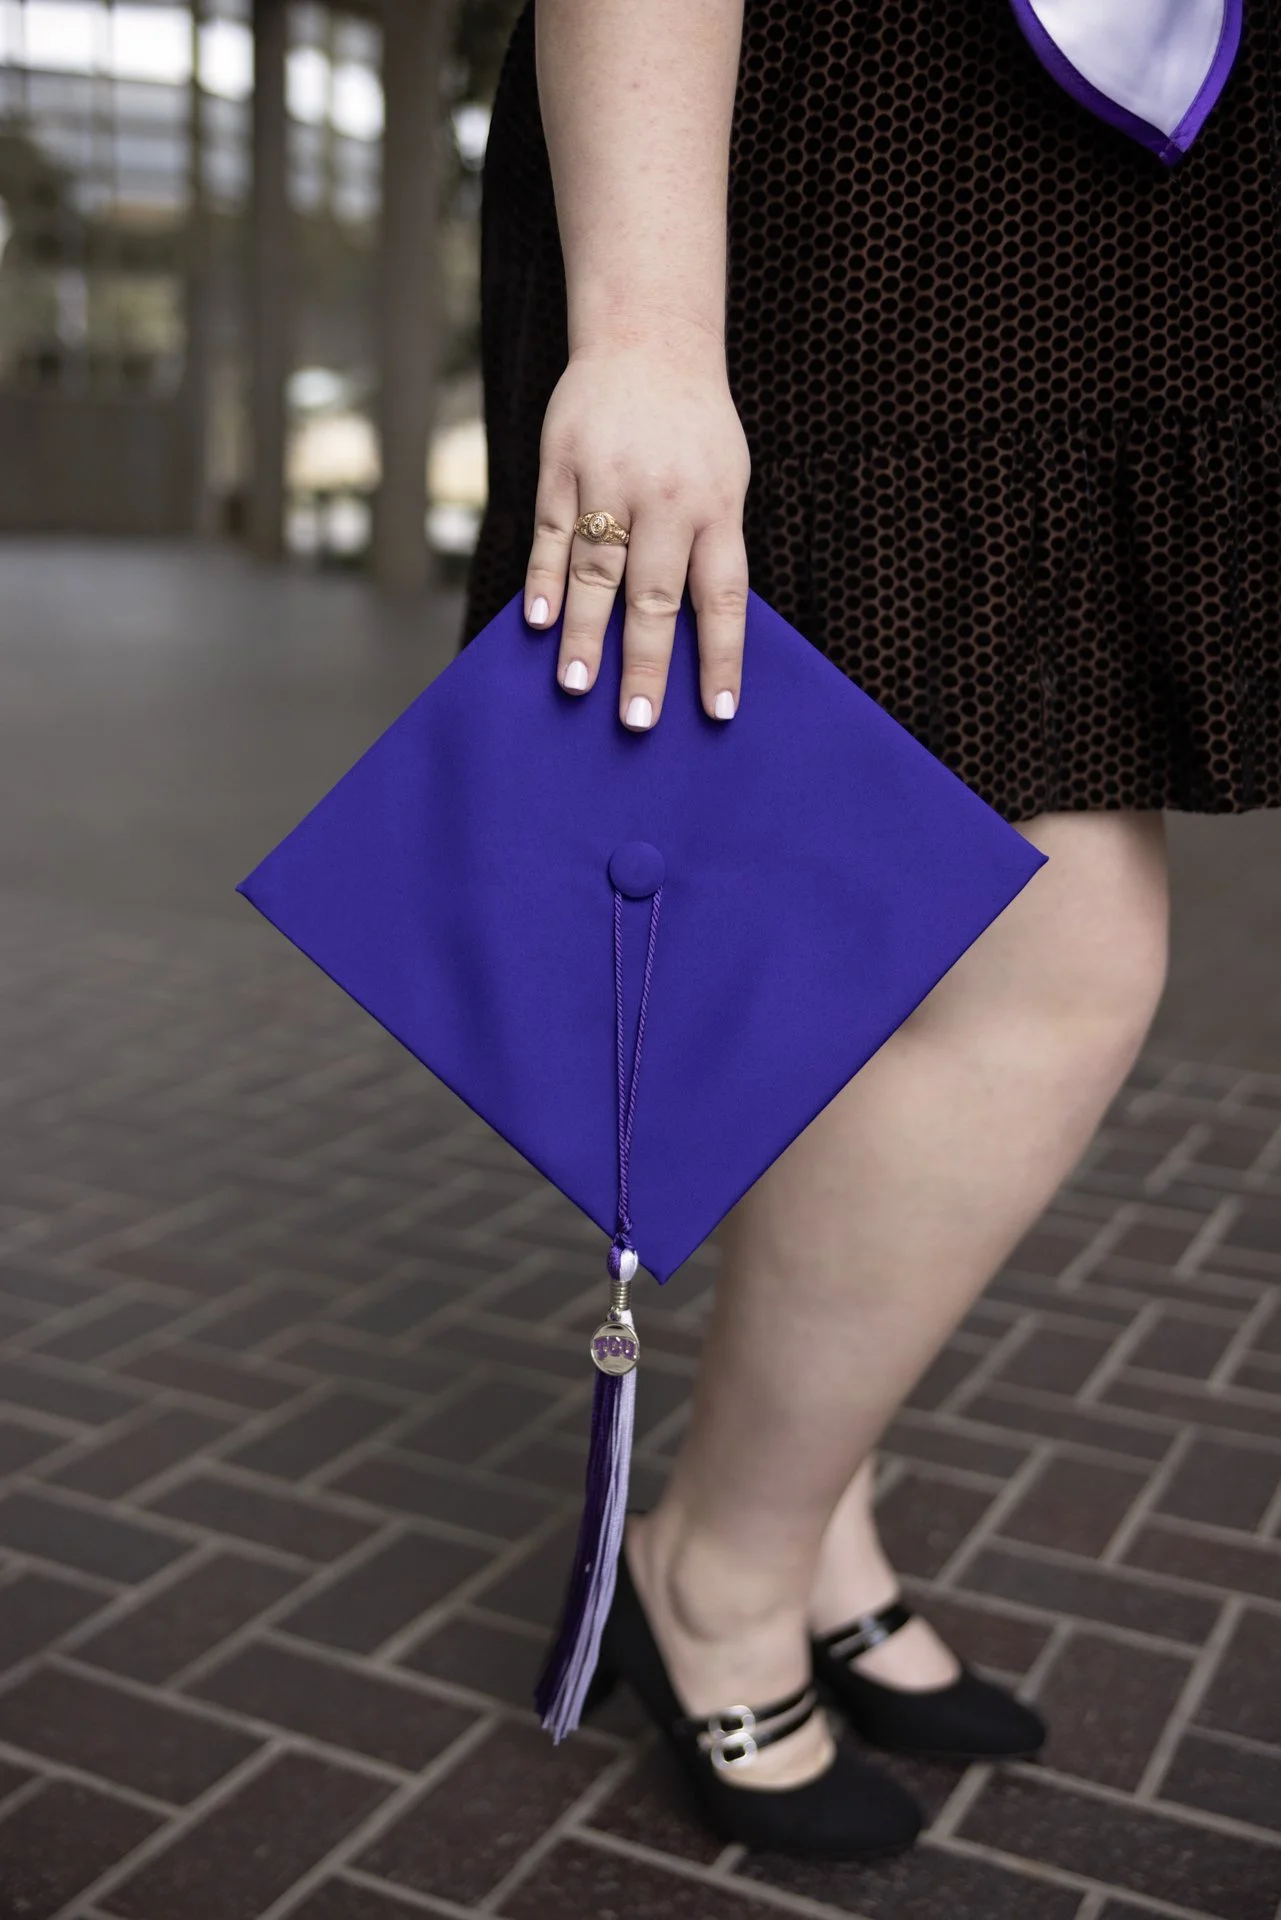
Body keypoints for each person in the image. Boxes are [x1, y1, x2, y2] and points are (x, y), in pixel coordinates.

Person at [462, 0, 1279, 1859]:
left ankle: (817, 1512)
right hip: (861, 142)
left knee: (879, 939)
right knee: (1042, 944)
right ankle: (718, 1568)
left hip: (1108, 190)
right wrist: (653, 334)